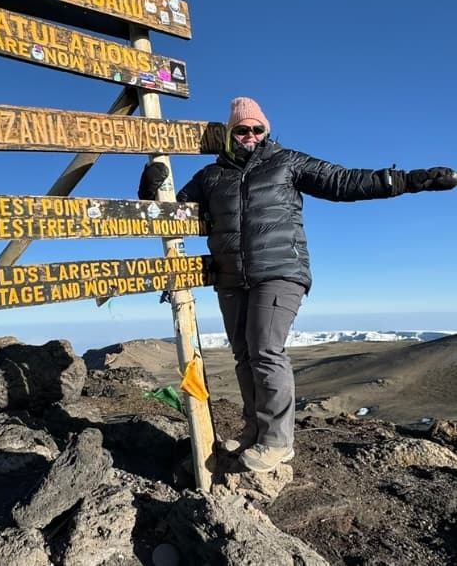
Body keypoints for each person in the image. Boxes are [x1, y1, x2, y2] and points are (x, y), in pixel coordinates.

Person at [138, 96, 456, 473]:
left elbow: (344, 182)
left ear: (266, 131)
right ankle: (254, 429)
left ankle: (277, 441)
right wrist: (149, 185)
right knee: (243, 355)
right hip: (230, 278)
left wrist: (406, 180)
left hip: (280, 271)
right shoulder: (211, 176)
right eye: (242, 129)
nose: (251, 135)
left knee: (266, 351)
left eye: (258, 129)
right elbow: (168, 213)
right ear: (230, 134)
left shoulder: (287, 162)